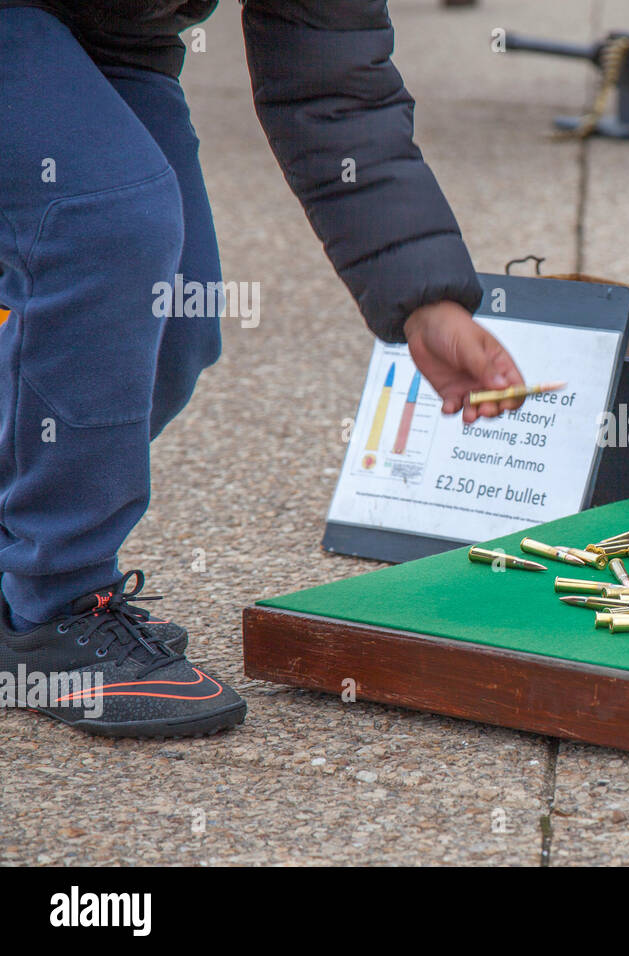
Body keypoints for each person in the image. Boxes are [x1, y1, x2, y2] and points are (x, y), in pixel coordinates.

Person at [0, 1, 524, 737]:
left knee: (173, 315)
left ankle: (14, 555)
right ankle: (53, 612)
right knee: (101, 222)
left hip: (108, 31)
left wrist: (425, 300)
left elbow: (332, 83)